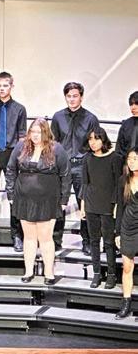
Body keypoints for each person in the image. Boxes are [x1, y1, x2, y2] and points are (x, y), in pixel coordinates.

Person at [6, 118, 71, 285]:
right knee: (29, 237)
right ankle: (28, 271)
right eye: (33, 132)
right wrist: (11, 194)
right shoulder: (21, 147)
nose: (35, 135)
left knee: (45, 238)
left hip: (48, 200)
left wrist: (64, 199)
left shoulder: (57, 149)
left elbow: (65, 175)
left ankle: (49, 273)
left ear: (46, 133)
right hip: (24, 198)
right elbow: (11, 169)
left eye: (39, 132)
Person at [51, 82, 99, 254]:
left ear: (81, 97)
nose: (72, 99)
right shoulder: (57, 117)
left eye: (75, 96)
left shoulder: (91, 118)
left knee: (85, 204)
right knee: (59, 202)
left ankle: (88, 241)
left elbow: (96, 143)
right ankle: (56, 240)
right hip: (62, 165)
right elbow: (53, 142)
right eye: (69, 96)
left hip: (82, 164)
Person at [0, 71, 28, 252]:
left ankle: (16, 235)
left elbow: (22, 136)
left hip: (12, 153)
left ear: (11, 86)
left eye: (5, 85)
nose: (2, 89)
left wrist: (18, 157)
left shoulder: (20, 109)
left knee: (13, 196)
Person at [80, 127, 122, 289]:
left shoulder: (115, 158)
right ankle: (96, 273)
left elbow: (118, 184)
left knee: (109, 242)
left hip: (108, 205)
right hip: (91, 204)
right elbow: (85, 183)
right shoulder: (87, 158)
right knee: (94, 241)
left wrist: (116, 205)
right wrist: (83, 205)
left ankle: (111, 274)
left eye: (96, 139)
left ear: (103, 140)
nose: (92, 142)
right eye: (90, 139)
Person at [114, 148, 138, 319]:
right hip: (128, 227)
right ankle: (126, 303)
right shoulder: (123, 180)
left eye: (135, 158)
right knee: (127, 267)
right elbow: (120, 208)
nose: (131, 162)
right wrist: (118, 233)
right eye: (129, 159)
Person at [115, 91, 138, 158]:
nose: (133, 107)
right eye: (131, 104)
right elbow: (118, 149)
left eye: (136, 104)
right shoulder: (125, 124)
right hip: (126, 162)